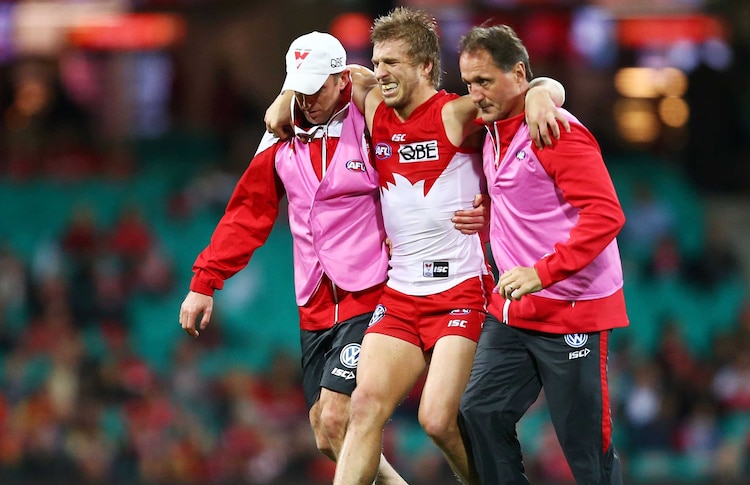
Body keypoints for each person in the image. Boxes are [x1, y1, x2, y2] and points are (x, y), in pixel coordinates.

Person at [262, 9, 565, 485]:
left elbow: (520, 88)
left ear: (425, 67)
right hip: (401, 295)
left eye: (393, 63)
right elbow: (343, 75)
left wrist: (546, 91)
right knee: (361, 408)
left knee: (438, 421)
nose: (381, 72)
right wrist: (285, 97)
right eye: (378, 62)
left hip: (460, 293)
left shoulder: (455, 113)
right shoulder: (372, 105)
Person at [178, 31, 410, 484]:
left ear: (342, 79)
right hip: (315, 303)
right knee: (326, 432)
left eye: (316, 89)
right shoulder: (280, 137)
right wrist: (203, 282)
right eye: (297, 91)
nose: (306, 101)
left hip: (374, 295)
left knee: (339, 414)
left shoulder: (372, 121)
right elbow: (248, 211)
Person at [457, 24, 629, 484]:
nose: (475, 93)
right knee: (479, 411)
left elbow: (606, 215)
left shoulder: (555, 130)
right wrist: (490, 215)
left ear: (517, 73)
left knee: (584, 446)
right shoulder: (493, 127)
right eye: (468, 83)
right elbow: (530, 200)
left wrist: (542, 272)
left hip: (572, 307)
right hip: (515, 307)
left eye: (485, 81)